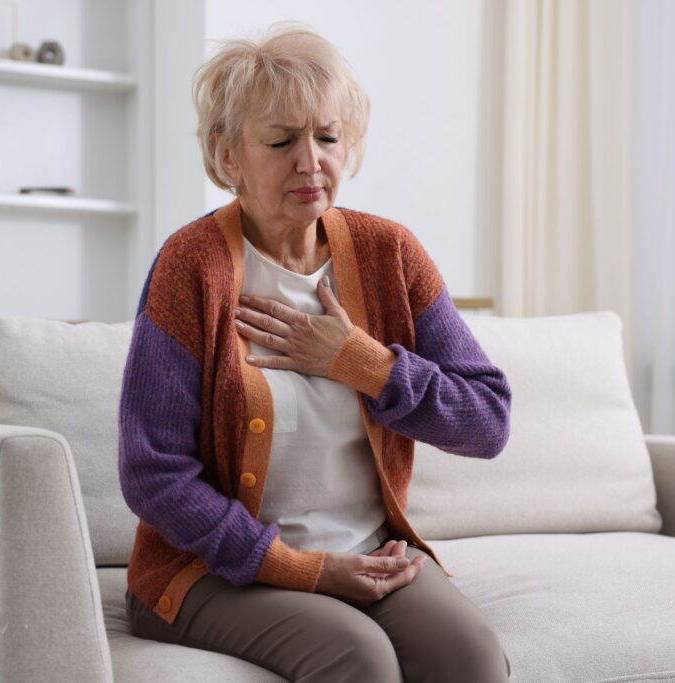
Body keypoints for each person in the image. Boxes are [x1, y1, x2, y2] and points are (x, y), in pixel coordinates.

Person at [118, 22, 513, 682]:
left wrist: (359, 361)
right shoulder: (191, 266)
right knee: (358, 654)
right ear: (229, 155)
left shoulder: (391, 253)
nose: (310, 161)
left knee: (469, 654)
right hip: (212, 570)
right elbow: (151, 473)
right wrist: (303, 569)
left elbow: (488, 422)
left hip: (369, 550)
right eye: (281, 141)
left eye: (327, 137)